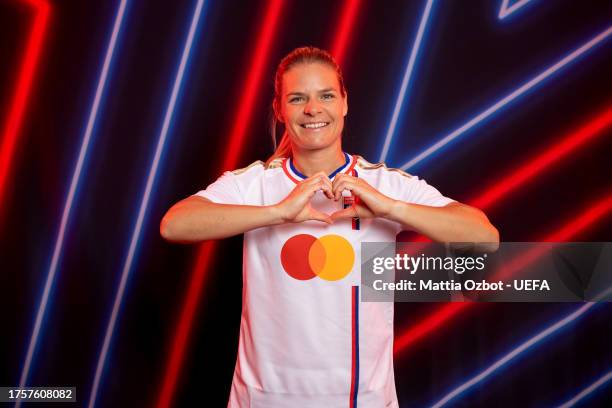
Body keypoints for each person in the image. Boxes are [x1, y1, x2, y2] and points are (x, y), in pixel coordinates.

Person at [160, 46, 499, 407]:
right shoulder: (255, 183)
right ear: (279, 109)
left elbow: (484, 236)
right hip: (264, 399)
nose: (312, 109)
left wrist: (392, 208)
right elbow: (175, 224)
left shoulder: (382, 183)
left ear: (344, 103)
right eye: (297, 98)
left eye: (325, 95)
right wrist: (278, 212)